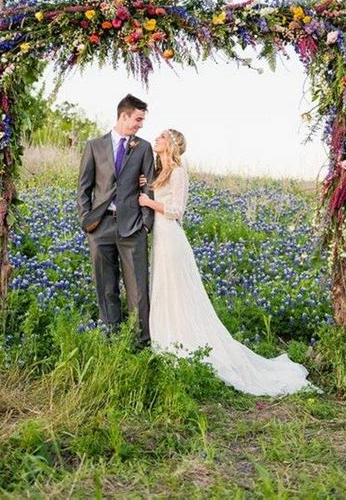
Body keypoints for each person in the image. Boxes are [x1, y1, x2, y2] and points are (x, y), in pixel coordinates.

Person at [138, 129, 313, 396]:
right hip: (160, 240)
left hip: (172, 239)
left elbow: (177, 211)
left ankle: (184, 342)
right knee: (164, 290)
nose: (156, 139)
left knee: (178, 293)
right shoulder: (160, 170)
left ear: (170, 144)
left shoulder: (179, 172)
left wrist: (149, 203)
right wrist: (146, 186)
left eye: (162, 136)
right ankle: (167, 339)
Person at [77, 94, 155, 347]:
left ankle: (140, 342)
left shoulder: (143, 147)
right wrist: (86, 220)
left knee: (138, 290)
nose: (140, 125)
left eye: (142, 121)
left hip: (132, 227)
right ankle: (112, 340)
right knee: (106, 286)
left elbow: (149, 186)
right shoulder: (94, 146)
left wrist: (146, 223)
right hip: (100, 226)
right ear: (124, 116)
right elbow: (83, 188)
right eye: (138, 119)